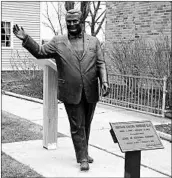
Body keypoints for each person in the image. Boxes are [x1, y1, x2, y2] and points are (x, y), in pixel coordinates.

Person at [13, 9, 110, 171]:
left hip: (91, 90)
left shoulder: (94, 42)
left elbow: (101, 63)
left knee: (86, 123)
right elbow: (40, 52)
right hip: (70, 91)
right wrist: (27, 39)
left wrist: (104, 81)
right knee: (77, 125)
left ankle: (83, 151)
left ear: (82, 22)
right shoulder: (58, 42)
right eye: (68, 22)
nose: (71, 24)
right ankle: (83, 158)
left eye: (74, 21)